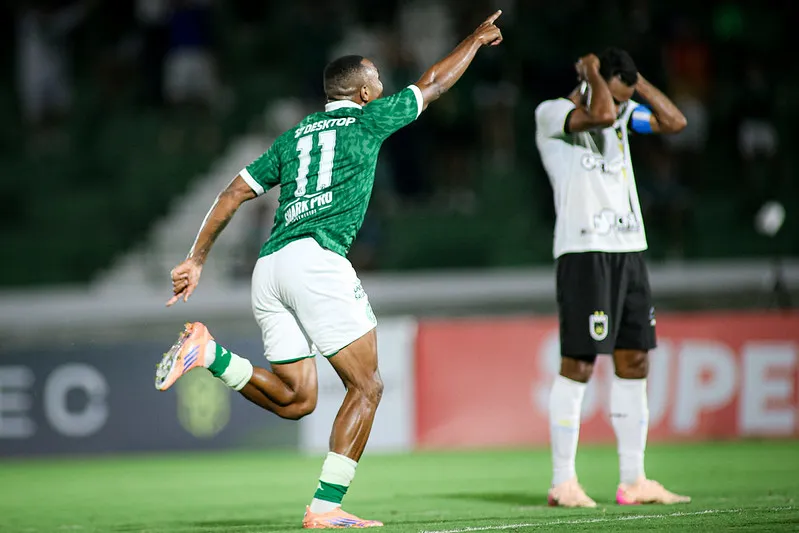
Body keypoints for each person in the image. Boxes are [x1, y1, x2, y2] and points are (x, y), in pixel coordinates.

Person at [155, 11, 504, 528]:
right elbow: (432, 84)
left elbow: (232, 193)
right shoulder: (370, 119)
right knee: (368, 387)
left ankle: (207, 352)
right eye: (377, 80)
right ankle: (324, 508)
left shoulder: (294, 136)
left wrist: (197, 257)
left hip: (269, 267)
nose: (383, 85)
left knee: (298, 399)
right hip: (317, 261)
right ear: (362, 93)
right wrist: (473, 41)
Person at [534, 48, 689, 508]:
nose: (622, 109)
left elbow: (675, 123)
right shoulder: (553, 113)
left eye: (625, 101)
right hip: (584, 252)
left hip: (629, 251)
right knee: (580, 364)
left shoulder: (622, 111)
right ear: (587, 82)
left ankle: (634, 479)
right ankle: (563, 481)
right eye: (616, 97)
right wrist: (595, 76)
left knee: (635, 361)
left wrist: (635, 84)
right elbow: (600, 114)